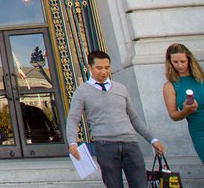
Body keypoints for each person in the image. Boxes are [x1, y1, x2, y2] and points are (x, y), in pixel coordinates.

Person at [66, 50, 164, 188]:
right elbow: (73, 119)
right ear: (89, 67)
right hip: (105, 145)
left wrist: (152, 139)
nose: (104, 71)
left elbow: (134, 117)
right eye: (99, 68)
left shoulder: (121, 88)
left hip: (130, 144)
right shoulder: (81, 92)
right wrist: (72, 143)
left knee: (140, 184)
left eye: (107, 67)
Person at [162, 43, 204, 163]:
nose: (179, 65)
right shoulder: (170, 85)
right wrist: (186, 111)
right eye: (175, 62)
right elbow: (173, 115)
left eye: (182, 61)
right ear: (169, 62)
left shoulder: (201, 78)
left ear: (189, 60)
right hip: (199, 132)